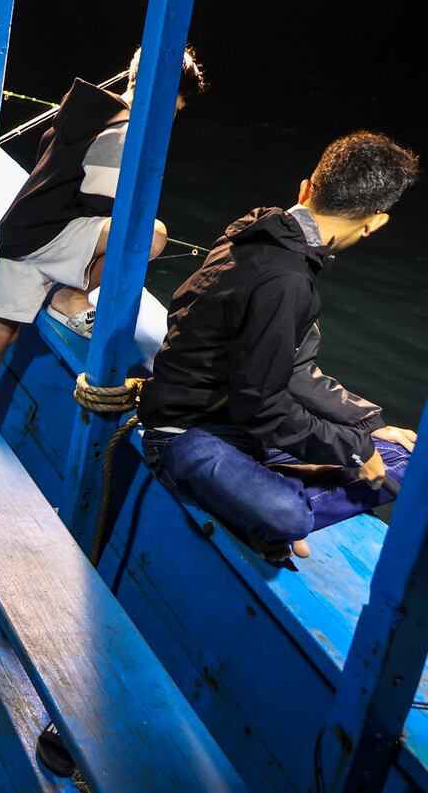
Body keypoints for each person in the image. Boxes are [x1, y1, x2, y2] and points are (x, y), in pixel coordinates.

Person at [136, 130, 418, 561]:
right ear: (375, 222)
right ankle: (272, 493)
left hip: (237, 422)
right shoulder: (288, 281)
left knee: (400, 452)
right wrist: (353, 448)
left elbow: (297, 369)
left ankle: (273, 479)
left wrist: (366, 423)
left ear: (306, 187)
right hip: (186, 437)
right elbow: (260, 405)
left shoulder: (256, 230)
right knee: (289, 516)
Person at [0, 47, 207, 404]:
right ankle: (72, 296)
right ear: (160, 95)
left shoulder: (91, 110)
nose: (170, 121)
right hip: (49, 238)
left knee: (2, 334)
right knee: (151, 234)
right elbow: (104, 205)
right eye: (172, 111)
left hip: (21, 233)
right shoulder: (123, 133)